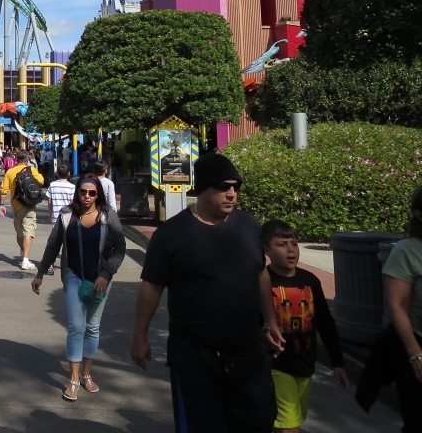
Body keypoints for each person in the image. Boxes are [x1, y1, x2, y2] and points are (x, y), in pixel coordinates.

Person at [129, 153, 284, 433]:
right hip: (195, 356)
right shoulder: (172, 234)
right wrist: (139, 337)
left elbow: (260, 272)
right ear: (202, 189)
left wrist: (270, 321)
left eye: (236, 187)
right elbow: (151, 287)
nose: (232, 193)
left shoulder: (250, 227)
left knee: (259, 421)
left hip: (247, 351)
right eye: (224, 186)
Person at [33, 177, 126, 399]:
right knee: (76, 325)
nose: (87, 197)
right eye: (83, 192)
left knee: (92, 327)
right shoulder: (67, 215)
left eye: (92, 193)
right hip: (74, 276)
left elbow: (119, 249)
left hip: (99, 280)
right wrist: (40, 273)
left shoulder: (108, 216)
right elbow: (53, 244)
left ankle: (86, 373)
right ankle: (73, 378)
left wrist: (105, 275)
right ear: (78, 193)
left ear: (98, 195)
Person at [261, 220, 347, 433]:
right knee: (290, 424)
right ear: (267, 251)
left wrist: (338, 362)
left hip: (305, 362)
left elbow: (325, 323)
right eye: (282, 244)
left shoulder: (310, 280)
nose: (290, 250)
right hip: (275, 364)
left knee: (291, 420)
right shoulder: (262, 281)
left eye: (294, 243)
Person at [357, 184, 422, 429]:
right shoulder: (407, 251)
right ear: (419, 214)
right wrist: (416, 355)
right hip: (415, 343)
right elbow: (397, 305)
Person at [0, 149, 46, 271]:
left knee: (20, 232)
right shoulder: (31, 170)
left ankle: (23, 252)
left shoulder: (10, 172)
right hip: (29, 204)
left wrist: (2, 204)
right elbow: (41, 181)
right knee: (28, 231)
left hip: (16, 205)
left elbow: (4, 189)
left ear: (16, 159)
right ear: (27, 159)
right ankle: (25, 260)